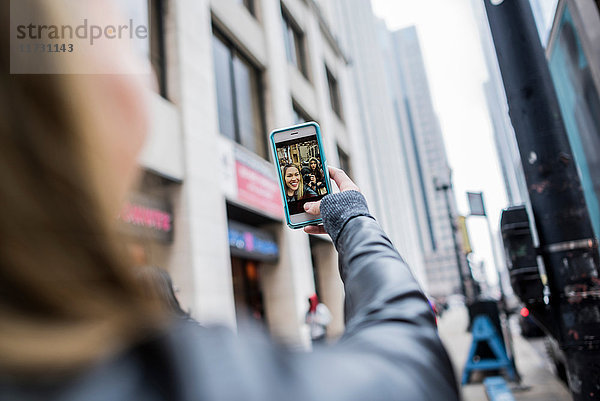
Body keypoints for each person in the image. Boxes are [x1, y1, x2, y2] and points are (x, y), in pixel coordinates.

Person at [0, 2, 459, 400]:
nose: (147, 67)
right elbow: (413, 367)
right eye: (118, 25)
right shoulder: (175, 378)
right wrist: (352, 218)